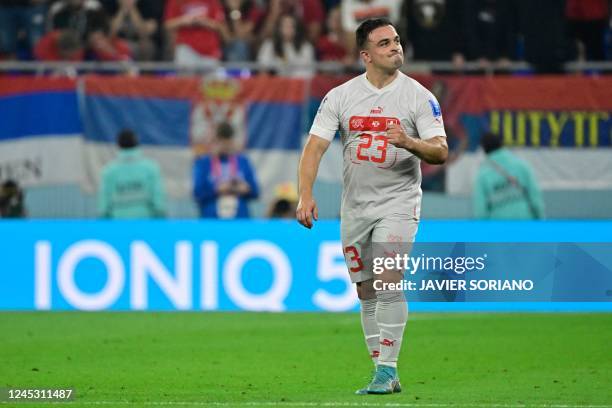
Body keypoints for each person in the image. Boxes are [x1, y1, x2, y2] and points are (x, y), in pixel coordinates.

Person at [296, 18, 447, 394]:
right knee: (365, 291)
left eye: (396, 40)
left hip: (399, 203)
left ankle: (388, 369)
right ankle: (381, 368)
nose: (395, 47)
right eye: (384, 43)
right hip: (356, 208)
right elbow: (315, 146)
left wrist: (410, 142)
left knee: (388, 280)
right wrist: (305, 194)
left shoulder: (419, 97)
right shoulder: (340, 96)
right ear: (366, 55)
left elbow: (441, 151)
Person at [193, 122, 259, 219]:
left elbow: (256, 192)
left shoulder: (243, 161)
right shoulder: (203, 163)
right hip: (212, 221)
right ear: (214, 141)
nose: (225, 145)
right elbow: (197, 193)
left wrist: (246, 189)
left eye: (228, 141)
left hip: (240, 220)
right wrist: (216, 190)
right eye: (220, 141)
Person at [473, 132, 544, 220]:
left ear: (484, 150)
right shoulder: (521, 166)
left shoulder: (482, 176)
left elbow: (481, 211)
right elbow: (535, 198)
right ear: (501, 144)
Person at [98, 129, 166, 219]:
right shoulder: (151, 169)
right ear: (137, 144)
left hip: (119, 226)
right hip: (147, 226)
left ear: (118, 145)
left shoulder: (108, 171)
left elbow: (104, 206)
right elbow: (158, 203)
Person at [256, 14, 315, 78]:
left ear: (297, 29)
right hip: (276, 83)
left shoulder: (306, 47)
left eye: (291, 26)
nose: (288, 29)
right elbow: (262, 67)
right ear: (279, 28)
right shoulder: (269, 45)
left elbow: (308, 72)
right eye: (285, 25)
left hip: (298, 83)